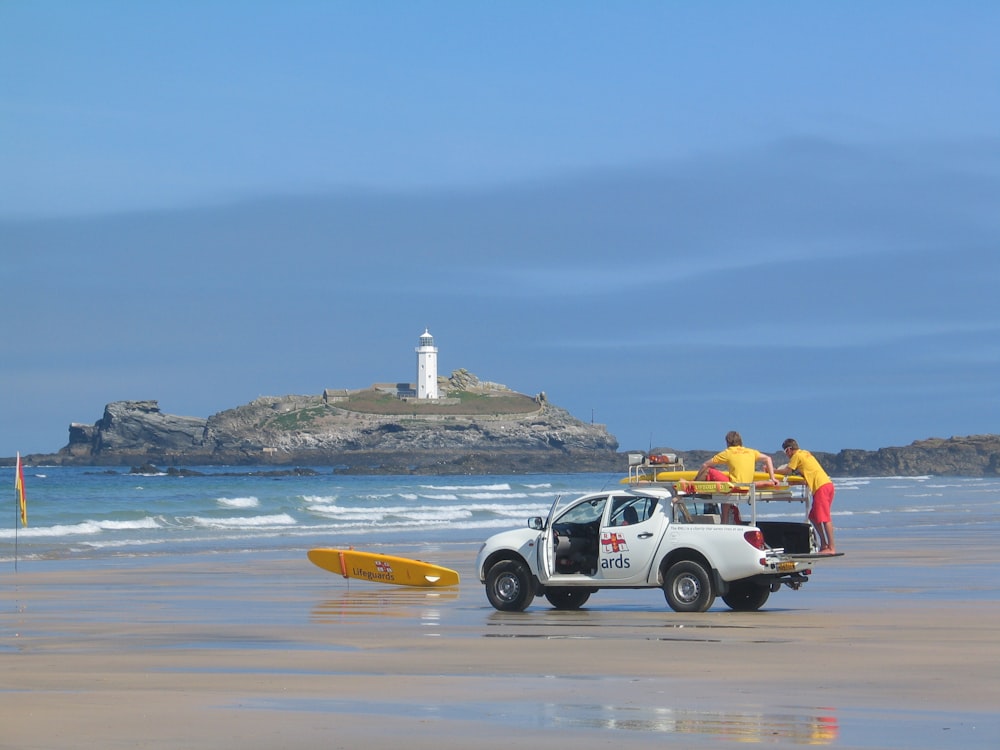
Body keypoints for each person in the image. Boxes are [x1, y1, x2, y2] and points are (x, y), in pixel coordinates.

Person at [776, 438, 836, 554]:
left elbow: (787, 471)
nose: (786, 455)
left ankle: (831, 547)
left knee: (825, 518)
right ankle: (824, 544)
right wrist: (793, 482)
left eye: (785, 452)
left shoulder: (797, 456)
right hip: (827, 485)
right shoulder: (806, 453)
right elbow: (807, 476)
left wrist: (772, 471)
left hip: (821, 487)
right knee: (813, 517)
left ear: (789, 450)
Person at [697, 430, 777, 485]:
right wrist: (772, 478)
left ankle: (691, 487)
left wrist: (694, 480)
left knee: (708, 470)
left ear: (728, 442)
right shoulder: (751, 451)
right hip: (748, 486)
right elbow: (768, 459)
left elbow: (705, 465)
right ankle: (726, 510)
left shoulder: (729, 452)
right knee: (726, 492)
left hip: (734, 486)